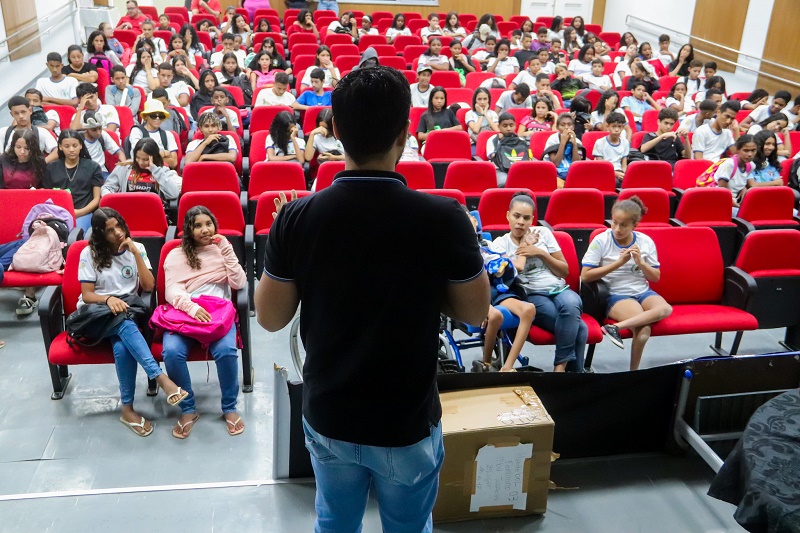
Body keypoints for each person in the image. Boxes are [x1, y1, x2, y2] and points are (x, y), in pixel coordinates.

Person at [254, 65, 488, 533]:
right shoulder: (445, 218)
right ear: (406, 133)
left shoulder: (297, 218)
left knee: (335, 524)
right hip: (406, 422)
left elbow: (270, 317)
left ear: (336, 130)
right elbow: (475, 312)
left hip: (329, 416)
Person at [77, 207, 188, 436]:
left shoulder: (137, 249)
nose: (117, 233)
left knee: (122, 347)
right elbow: (87, 294)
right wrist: (108, 300)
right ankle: (161, 378)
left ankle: (127, 409)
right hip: (96, 314)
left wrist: (136, 254)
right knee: (124, 323)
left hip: (125, 312)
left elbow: (148, 286)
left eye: (118, 225)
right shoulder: (88, 254)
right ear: (99, 234)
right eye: (109, 230)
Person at [162, 206, 247, 439]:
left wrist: (226, 249)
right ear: (188, 230)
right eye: (197, 225)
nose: (204, 229)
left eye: (208, 224)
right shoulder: (176, 255)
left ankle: (229, 407)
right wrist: (191, 307)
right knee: (171, 352)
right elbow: (171, 290)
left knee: (227, 351)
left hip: (217, 315)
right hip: (186, 312)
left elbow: (239, 283)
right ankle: (188, 408)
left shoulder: (222, 250)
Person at [486, 194, 586, 372]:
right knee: (580, 328)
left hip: (559, 288)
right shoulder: (500, 244)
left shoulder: (545, 234)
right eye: (516, 216)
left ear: (532, 219)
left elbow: (564, 270)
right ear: (508, 215)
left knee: (572, 303)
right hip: (531, 294)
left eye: (526, 218)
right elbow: (514, 271)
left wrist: (541, 253)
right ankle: (570, 373)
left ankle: (560, 370)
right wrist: (524, 248)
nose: (521, 222)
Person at [581, 196, 672, 370]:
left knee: (665, 309)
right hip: (616, 294)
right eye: (614, 222)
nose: (617, 229)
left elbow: (655, 277)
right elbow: (585, 276)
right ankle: (634, 372)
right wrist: (618, 263)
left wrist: (641, 263)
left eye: (623, 225)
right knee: (643, 329)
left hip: (642, 291)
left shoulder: (646, 242)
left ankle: (615, 328)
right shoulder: (601, 240)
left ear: (634, 226)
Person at [465, 209, 536, 373]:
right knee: (496, 315)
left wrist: (502, 268)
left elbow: (508, 266)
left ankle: (507, 367)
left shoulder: (488, 245)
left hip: (496, 289)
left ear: (475, 222)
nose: (469, 223)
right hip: (474, 293)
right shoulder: (458, 250)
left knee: (529, 309)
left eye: (470, 219)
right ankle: (486, 364)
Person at [44, 130, 103, 232]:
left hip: (83, 213)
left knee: (75, 233)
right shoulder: (51, 168)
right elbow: (46, 195)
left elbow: (96, 199)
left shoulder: (93, 167)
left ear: (81, 145)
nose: (71, 150)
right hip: (56, 213)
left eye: (75, 145)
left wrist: (79, 212)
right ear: (60, 147)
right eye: (66, 146)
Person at [102, 137, 182, 199]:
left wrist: (155, 170)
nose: (140, 162)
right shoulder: (124, 167)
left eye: (145, 159)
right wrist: (112, 198)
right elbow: (107, 187)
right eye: (137, 158)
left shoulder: (162, 171)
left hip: (152, 212)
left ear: (154, 158)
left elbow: (173, 194)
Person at [0, 96, 58, 161]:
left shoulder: (41, 132)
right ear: (12, 115)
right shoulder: (3, 132)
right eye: (16, 113)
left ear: (30, 110)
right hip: (8, 168)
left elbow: (57, 151)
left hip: (34, 168)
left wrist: (42, 163)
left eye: (23, 112)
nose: (21, 116)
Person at [128, 100, 179, 169]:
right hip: (142, 172)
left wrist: (150, 158)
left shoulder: (168, 134)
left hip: (163, 173)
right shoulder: (137, 131)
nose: (157, 118)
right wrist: (163, 154)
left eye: (161, 116)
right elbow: (140, 158)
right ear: (146, 117)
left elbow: (174, 162)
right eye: (153, 115)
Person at [713, 135, 758, 210]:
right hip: (720, 201)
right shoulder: (729, 164)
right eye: (746, 150)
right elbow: (723, 192)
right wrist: (738, 206)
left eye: (753, 150)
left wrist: (744, 189)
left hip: (736, 201)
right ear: (738, 150)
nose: (750, 154)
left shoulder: (751, 166)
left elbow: (740, 181)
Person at [80, 112, 125, 176]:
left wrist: (124, 164)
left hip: (101, 171)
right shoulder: (79, 139)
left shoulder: (103, 135)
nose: (98, 132)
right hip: (84, 173)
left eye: (100, 128)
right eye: (94, 130)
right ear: (87, 129)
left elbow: (119, 152)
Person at [543, 113, 583, 185]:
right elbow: (555, 163)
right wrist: (563, 143)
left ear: (573, 127)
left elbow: (577, 163)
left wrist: (574, 144)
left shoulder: (577, 141)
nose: (566, 128)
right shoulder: (552, 140)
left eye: (569, 124)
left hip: (572, 174)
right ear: (557, 127)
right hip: (555, 174)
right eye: (562, 125)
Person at [592, 112, 630, 184]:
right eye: (614, 126)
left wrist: (625, 175)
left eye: (619, 126)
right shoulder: (600, 143)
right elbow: (600, 166)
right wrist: (615, 174)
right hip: (604, 173)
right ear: (608, 126)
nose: (617, 129)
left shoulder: (625, 143)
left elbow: (624, 166)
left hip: (619, 172)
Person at [485, 113, 521, 185]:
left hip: (519, 170)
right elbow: (493, 156)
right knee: (503, 183)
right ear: (499, 126)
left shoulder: (520, 140)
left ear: (515, 126)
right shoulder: (493, 140)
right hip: (500, 169)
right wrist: (503, 141)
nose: (508, 128)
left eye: (511, 125)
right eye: (505, 126)